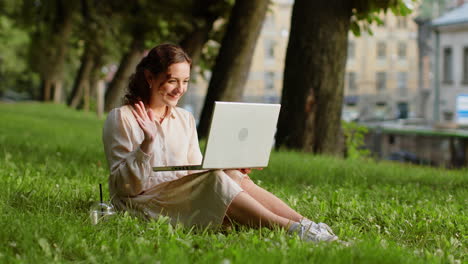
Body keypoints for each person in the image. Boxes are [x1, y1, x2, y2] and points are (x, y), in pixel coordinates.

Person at [102, 43, 338, 242]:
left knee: (230, 176)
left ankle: (308, 224)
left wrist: (227, 167)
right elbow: (125, 188)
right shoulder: (122, 118)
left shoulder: (183, 118)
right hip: (143, 202)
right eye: (172, 81)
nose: (180, 89)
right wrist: (147, 145)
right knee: (217, 180)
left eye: (185, 81)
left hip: (178, 195)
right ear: (150, 77)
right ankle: (293, 230)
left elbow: (195, 171)